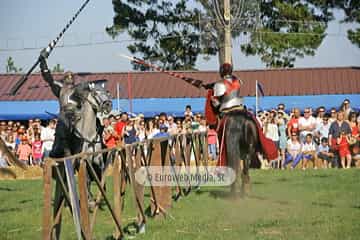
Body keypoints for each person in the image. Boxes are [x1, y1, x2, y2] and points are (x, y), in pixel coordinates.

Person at [39, 53, 83, 158]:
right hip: (64, 116)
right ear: (64, 79)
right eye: (67, 77)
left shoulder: (79, 90)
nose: (69, 78)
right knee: (60, 129)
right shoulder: (60, 89)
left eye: (71, 77)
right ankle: (58, 149)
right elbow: (49, 78)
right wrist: (43, 64)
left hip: (78, 116)